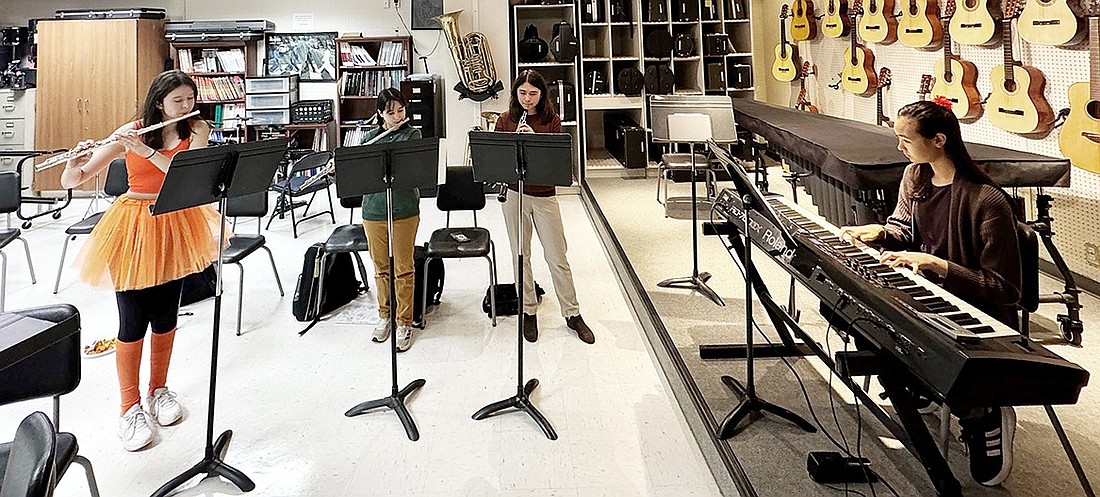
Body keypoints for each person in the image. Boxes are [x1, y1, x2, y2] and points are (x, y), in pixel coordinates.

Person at [840, 97, 1022, 487]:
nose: (899, 147)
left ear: (939, 140)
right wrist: (882, 233)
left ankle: (983, 414)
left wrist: (940, 266)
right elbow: (904, 229)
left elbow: (1005, 289)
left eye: (905, 139)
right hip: (923, 290)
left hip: (972, 307)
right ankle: (919, 381)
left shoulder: (986, 199)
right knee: (854, 309)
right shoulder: (914, 176)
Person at [59, 70, 218, 451]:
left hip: (177, 220)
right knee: (132, 320)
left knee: (167, 315)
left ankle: (158, 390)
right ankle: (128, 408)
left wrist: (147, 152)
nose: (186, 106)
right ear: (158, 102)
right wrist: (74, 162)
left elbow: (189, 176)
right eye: (177, 101)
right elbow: (75, 179)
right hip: (133, 224)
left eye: (189, 98)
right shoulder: (132, 129)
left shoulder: (195, 129)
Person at [494, 69, 594, 345]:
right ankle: (528, 310)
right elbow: (497, 161)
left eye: (533, 94)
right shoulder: (505, 120)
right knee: (520, 255)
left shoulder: (552, 121)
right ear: (516, 93)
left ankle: (572, 313)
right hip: (516, 194)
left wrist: (534, 142)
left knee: (557, 256)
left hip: (545, 195)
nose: (527, 99)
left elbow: (555, 165)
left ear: (542, 95)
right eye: (522, 93)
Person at [360, 88, 421, 352]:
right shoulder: (369, 139)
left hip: (404, 209)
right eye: (390, 112)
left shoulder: (412, 135)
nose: (397, 116)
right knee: (381, 268)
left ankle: (404, 321)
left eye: (401, 110)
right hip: (373, 211)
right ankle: (385, 316)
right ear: (380, 114)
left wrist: (391, 136)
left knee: (403, 269)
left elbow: (411, 163)